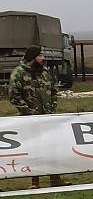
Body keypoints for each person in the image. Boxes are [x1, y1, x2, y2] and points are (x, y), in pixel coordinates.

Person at [9, 45, 71, 189]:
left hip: (48, 118)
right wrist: (27, 111)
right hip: (29, 119)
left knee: (52, 148)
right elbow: (14, 96)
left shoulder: (45, 72)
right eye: (40, 56)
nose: (43, 59)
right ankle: (34, 181)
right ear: (32, 57)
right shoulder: (18, 73)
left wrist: (52, 107)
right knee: (34, 149)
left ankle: (55, 178)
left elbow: (53, 90)